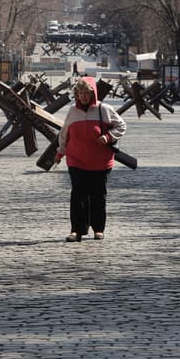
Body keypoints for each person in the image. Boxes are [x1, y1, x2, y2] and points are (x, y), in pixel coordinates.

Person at [55, 77, 127, 242]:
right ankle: (77, 230)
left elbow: (121, 125)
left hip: (100, 161)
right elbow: (64, 133)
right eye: (80, 93)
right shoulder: (73, 111)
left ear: (93, 93)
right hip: (76, 160)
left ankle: (98, 228)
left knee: (98, 195)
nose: (84, 96)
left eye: (87, 93)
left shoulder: (104, 109)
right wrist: (60, 152)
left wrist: (108, 137)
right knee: (78, 195)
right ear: (76, 94)